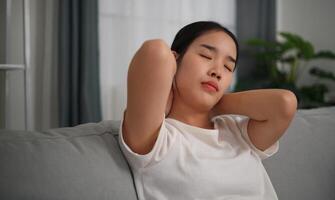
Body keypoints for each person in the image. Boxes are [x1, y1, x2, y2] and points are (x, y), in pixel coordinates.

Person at [118, 21, 297, 200]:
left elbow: (284, 103)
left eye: (228, 67)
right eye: (206, 55)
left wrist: (215, 106)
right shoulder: (156, 140)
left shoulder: (238, 132)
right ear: (175, 60)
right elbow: (155, 51)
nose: (218, 72)